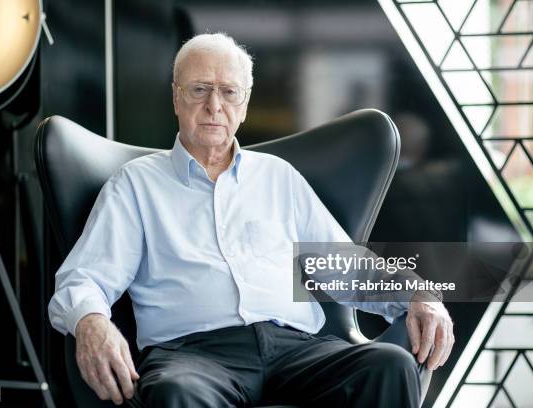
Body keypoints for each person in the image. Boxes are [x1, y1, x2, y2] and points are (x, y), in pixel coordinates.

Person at [49, 33, 454, 407]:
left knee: (388, 365)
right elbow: (84, 277)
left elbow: (346, 269)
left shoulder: (278, 176)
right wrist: (91, 322)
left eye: (228, 92)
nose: (214, 106)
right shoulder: (135, 185)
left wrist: (419, 296)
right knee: (175, 393)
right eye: (199, 90)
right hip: (193, 357)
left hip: (298, 350)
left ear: (243, 105)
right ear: (176, 98)